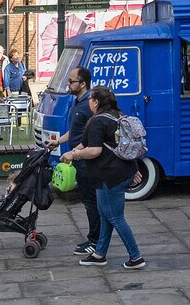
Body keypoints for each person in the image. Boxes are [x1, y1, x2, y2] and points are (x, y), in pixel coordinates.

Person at [65, 85, 144, 270]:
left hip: (109, 176)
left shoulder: (97, 121)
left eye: (91, 99)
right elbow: (120, 147)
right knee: (105, 214)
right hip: (121, 172)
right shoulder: (118, 116)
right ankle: (99, 254)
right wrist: (135, 169)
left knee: (116, 217)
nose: (89, 102)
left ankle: (136, 257)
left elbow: (94, 150)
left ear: (96, 102)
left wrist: (74, 155)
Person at [55, 65, 100, 254]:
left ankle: (95, 241)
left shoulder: (88, 105)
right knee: (88, 201)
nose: (68, 84)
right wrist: (58, 141)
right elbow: (75, 130)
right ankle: (95, 239)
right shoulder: (77, 102)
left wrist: (76, 153)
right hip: (78, 158)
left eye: (71, 81)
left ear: (82, 84)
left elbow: (92, 135)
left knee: (91, 202)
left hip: (86, 162)